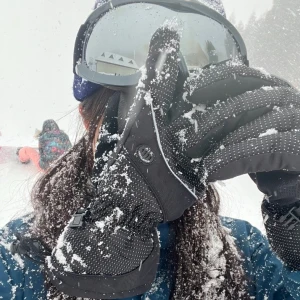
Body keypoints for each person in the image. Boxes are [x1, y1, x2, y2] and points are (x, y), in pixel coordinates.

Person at [1, 1, 300, 299]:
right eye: (131, 128)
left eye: (174, 136)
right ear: (86, 118)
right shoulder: (18, 253)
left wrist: (294, 213)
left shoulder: (246, 255)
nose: (154, 158)